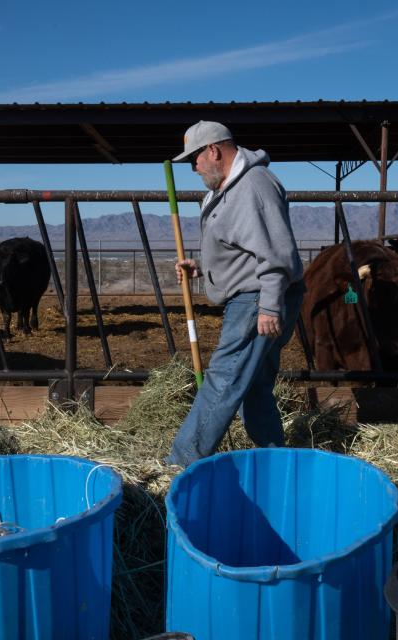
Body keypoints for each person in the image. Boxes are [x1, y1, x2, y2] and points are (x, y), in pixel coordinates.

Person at [165, 121, 305, 468]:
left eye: (195, 159)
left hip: (259, 298)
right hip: (256, 293)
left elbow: (274, 253)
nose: (194, 168)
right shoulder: (229, 187)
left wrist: (269, 307)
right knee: (254, 384)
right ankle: (274, 459)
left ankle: (180, 464)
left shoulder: (253, 186)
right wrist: (201, 268)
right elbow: (243, 247)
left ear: (213, 151)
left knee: (224, 380)